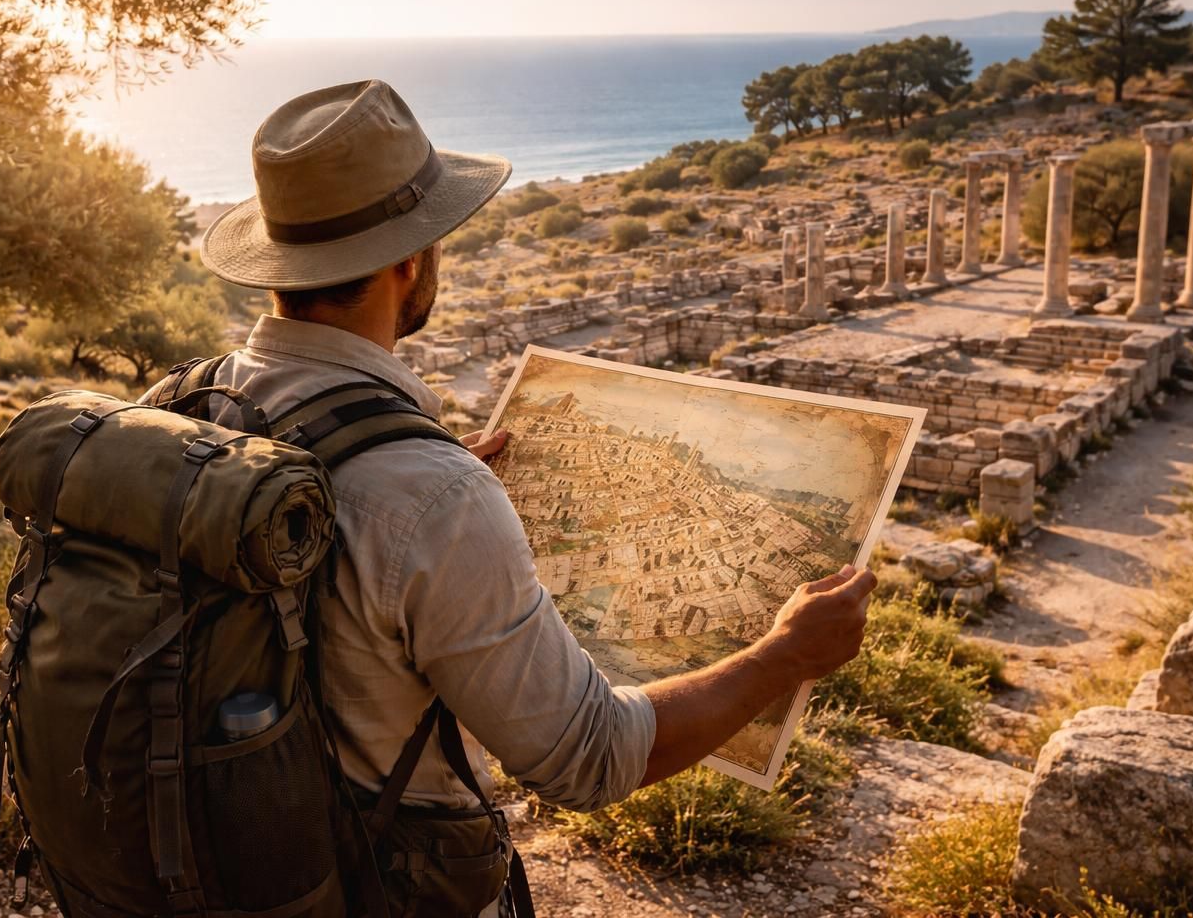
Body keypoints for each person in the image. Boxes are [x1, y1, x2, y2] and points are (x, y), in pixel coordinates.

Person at [195, 79, 877, 914]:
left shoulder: (185, 404)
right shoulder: (431, 496)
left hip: (190, 863)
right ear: (411, 258)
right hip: (370, 886)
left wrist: (420, 479)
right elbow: (589, 759)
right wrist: (785, 656)